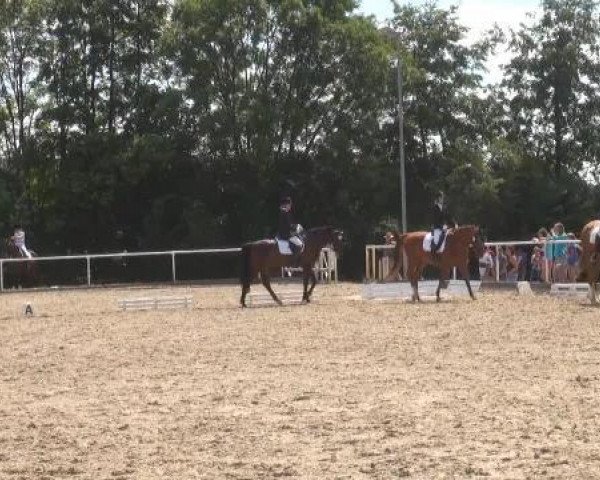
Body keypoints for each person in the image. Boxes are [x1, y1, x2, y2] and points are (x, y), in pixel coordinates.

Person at [431, 191, 454, 257]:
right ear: (438, 198)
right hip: (437, 228)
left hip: (444, 228)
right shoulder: (434, 208)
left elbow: (448, 218)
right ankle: (435, 252)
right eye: (441, 197)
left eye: (443, 197)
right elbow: (435, 220)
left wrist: (454, 224)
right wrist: (442, 227)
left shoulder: (444, 208)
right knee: (438, 239)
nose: (442, 199)